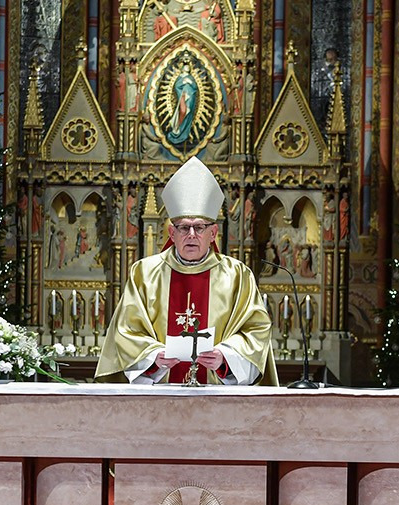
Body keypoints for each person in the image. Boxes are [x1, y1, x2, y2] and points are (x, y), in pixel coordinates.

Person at [95, 157, 276, 385]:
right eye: (183, 227)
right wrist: (152, 357)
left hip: (218, 396)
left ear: (213, 233)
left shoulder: (237, 276)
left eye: (199, 227)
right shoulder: (145, 274)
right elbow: (126, 331)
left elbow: (255, 331)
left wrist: (225, 358)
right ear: (172, 233)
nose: (191, 235)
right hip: (158, 395)